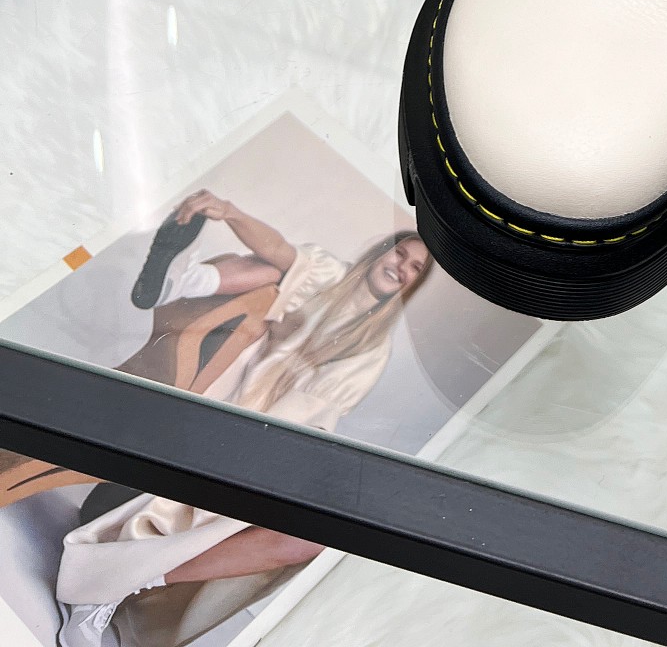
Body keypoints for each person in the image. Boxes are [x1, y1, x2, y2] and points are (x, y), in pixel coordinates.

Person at [54, 192, 432, 647]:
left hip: (273, 438)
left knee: (305, 535)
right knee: (275, 268)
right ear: (381, 252)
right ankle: (179, 281)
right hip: (230, 390)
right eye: (400, 254)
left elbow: (317, 421)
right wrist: (230, 212)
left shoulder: (373, 349)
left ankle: (122, 584)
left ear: (412, 285)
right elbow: (278, 249)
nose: (402, 267)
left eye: (414, 269)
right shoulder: (330, 275)